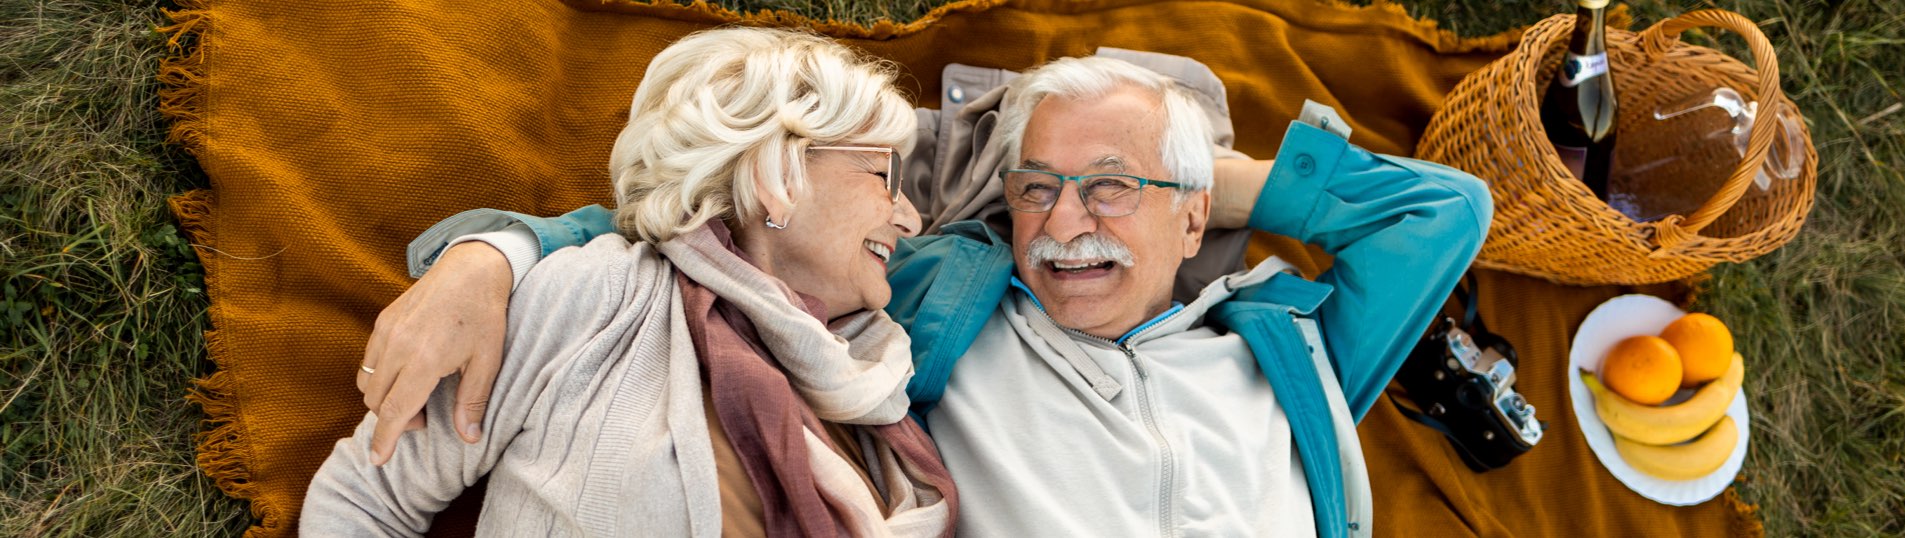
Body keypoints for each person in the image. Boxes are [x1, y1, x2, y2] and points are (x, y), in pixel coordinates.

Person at [364, 52, 1492, 536]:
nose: (1062, 223)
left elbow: (1442, 215)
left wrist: (1209, 175)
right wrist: (497, 258)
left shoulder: (1282, 351)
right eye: (1036, 189)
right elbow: (704, 227)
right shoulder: (936, 306)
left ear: (1195, 217)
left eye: (1105, 189)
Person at [302, 27, 959, 536]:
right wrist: (492, 252)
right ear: (776, 177)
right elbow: (366, 499)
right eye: (883, 175)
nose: (909, 214)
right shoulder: (596, 297)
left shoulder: (878, 385)